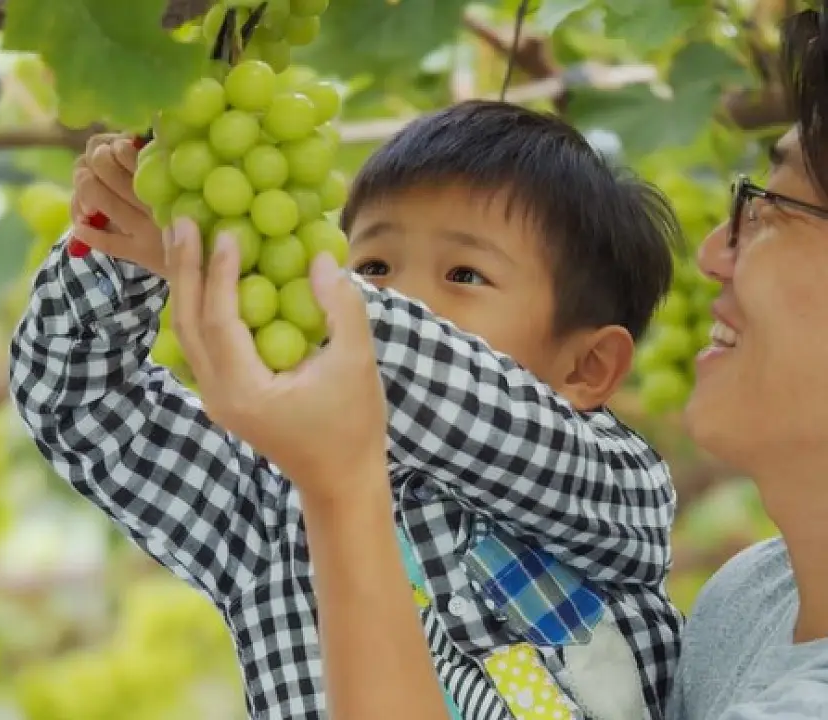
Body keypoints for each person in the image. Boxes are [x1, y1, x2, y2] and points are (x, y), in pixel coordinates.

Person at [160, 7, 828, 720]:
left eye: (773, 206)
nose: (713, 254)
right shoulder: (748, 601)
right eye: (376, 263)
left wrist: (256, 261)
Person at [9, 101, 684, 719]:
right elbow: (78, 401)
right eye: (372, 267)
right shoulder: (274, 514)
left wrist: (252, 267)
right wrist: (119, 250)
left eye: (465, 275)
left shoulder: (612, 486)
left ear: (586, 368)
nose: (402, 300)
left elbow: (452, 393)